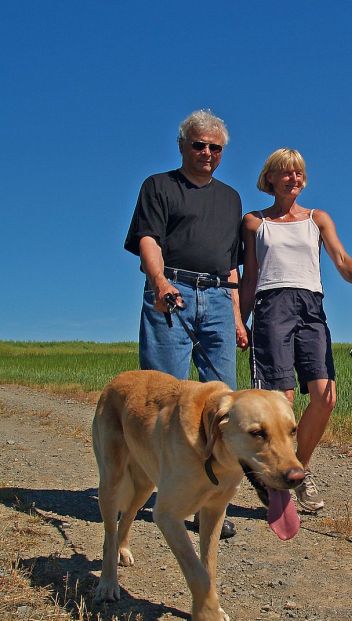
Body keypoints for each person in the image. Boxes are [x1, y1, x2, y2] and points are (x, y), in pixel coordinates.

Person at [124, 109, 247, 538]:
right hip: (171, 291)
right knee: (162, 397)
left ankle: (209, 503)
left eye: (215, 147)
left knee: (222, 403)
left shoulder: (231, 199)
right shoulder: (158, 186)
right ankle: (156, 492)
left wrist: (235, 317)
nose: (207, 153)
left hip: (216, 296)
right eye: (199, 145)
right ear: (182, 146)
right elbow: (147, 240)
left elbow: (233, 266)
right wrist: (158, 282)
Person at [239, 147, 352, 512]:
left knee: (325, 396)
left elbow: (341, 259)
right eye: (286, 173)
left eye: (299, 173)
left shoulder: (317, 219)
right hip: (271, 307)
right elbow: (250, 277)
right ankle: (280, 477)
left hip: (311, 307)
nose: (295, 178)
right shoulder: (255, 222)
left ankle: (299, 468)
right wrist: (240, 320)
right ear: (269, 178)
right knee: (282, 402)